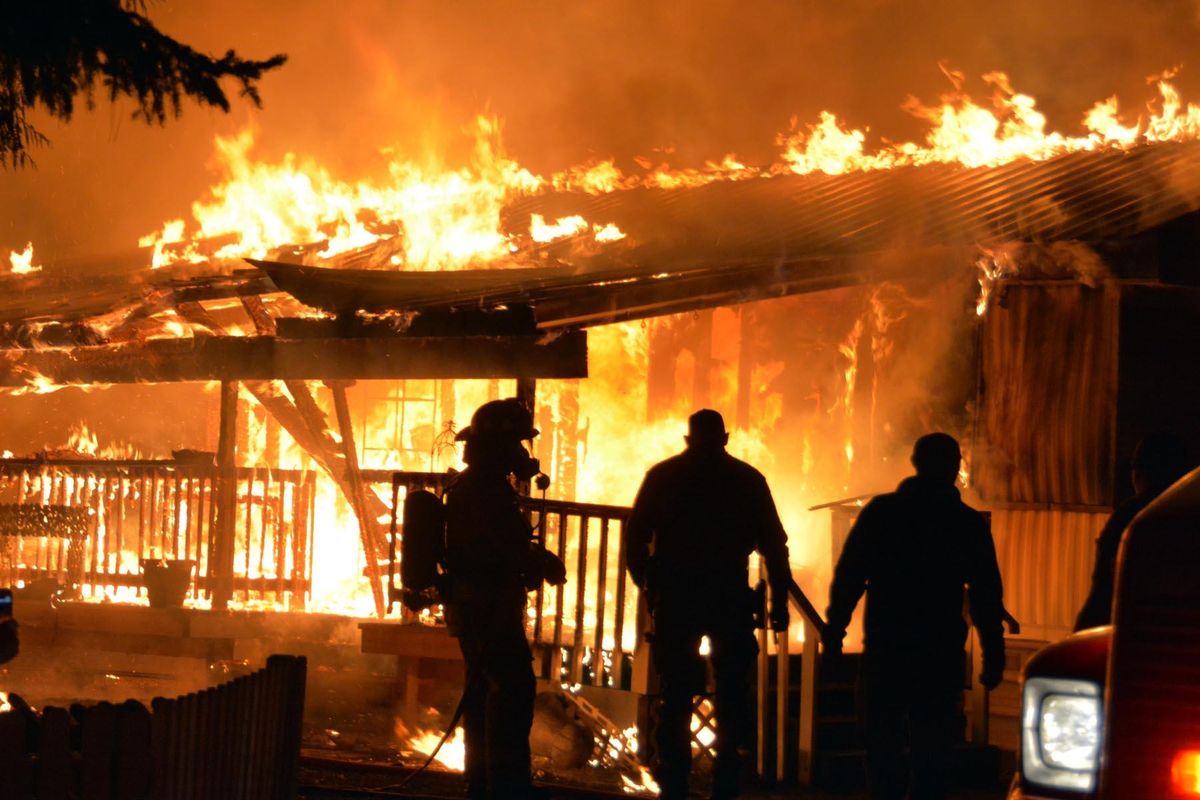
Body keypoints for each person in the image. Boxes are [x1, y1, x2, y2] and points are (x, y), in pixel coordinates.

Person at [823, 432, 1005, 800]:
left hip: (886, 649)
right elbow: (986, 593)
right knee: (933, 750)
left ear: (914, 463)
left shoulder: (882, 512)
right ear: (955, 467)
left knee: (881, 745)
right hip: (938, 653)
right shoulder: (965, 523)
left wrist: (835, 628)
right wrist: (993, 651)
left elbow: (850, 575)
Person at [625, 409, 791, 800]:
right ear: (725, 438)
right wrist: (778, 600)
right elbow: (774, 545)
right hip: (727, 594)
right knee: (733, 689)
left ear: (689, 439)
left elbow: (636, 537)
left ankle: (674, 780)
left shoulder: (664, 476)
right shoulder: (747, 480)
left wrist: (649, 584)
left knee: (676, 691)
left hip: (678, 594)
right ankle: (727, 777)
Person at [443, 398, 566, 800]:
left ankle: (480, 784)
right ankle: (507, 786)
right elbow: (502, 546)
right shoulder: (484, 490)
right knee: (513, 689)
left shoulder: (478, 485)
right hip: (487, 605)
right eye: (516, 443)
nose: (522, 453)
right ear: (499, 447)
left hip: (475, 603)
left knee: (482, 693)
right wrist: (540, 560)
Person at [1074, 431, 1191, 631]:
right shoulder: (1189, 515)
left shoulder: (1131, 518)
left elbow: (1102, 593)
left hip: (1136, 638)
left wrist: (1077, 642)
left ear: (1138, 472)